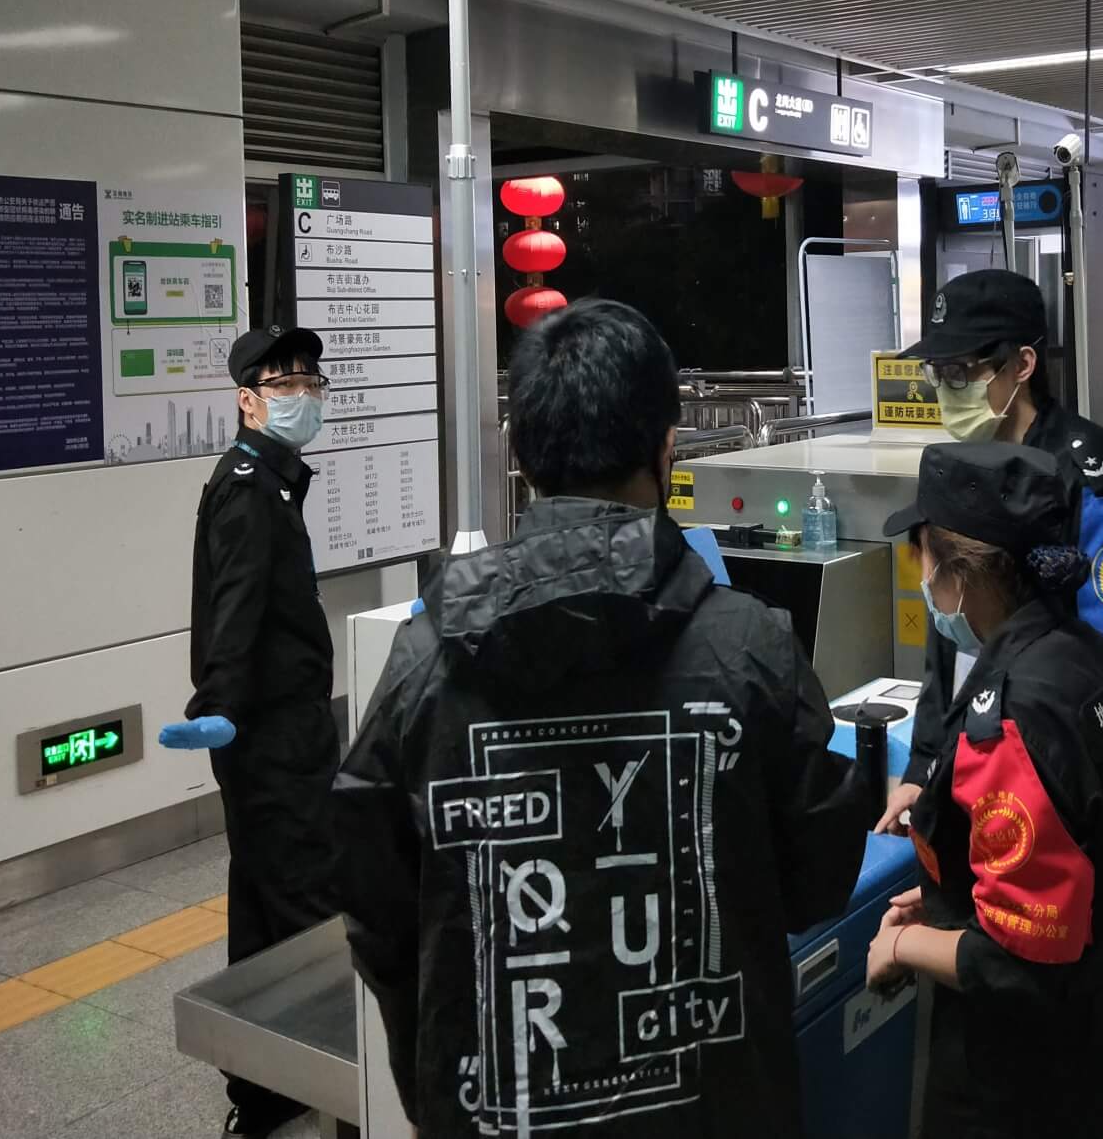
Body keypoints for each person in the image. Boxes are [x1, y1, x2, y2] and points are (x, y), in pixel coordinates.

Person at [331, 299, 866, 1139]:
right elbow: (818, 878)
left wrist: (438, 1077)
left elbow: (376, 906)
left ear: (522, 454)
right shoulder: (748, 645)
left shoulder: (427, 659)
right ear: (667, 447)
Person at [866, 442, 1103, 1139]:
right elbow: (1082, 842)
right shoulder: (1091, 656)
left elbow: (1018, 959)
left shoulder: (1008, 720)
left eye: (923, 556)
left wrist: (903, 948)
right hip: (1096, 1019)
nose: (921, 577)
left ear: (963, 573)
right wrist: (953, 895)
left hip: (1019, 1072)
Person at [878, 268, 1103, 835]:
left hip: (1060, 766)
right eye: (938, 374)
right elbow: (946, 635)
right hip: (985, 748)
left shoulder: (1089, 472)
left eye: (961, 373)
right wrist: (924, 765)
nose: (947, 391)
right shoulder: (960, 466)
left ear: (1022, 365)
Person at [158, 324, 337, 1139]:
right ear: (247, 401)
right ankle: (333, 1084)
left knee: (265, 908)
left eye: (311, 382)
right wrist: (220, 703)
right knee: (304, 910)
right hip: (271, 737)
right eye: (284, 383)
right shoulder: (249, 487)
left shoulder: (271, 478)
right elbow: (235, 604)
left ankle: (267, 1092)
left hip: (280, 728)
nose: (302, 395)